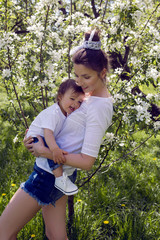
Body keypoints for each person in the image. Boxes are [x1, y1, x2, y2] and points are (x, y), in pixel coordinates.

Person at [0, 28, 113, 240]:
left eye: (86, 76)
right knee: (55, 235)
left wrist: (44, 151)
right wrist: (39, 135)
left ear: (103, 73)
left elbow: (87, 161)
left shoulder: (98, 108)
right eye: (77, 75)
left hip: (48, 176)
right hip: (61, 175)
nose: (79, 83)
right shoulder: (89, 97)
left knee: (3, 232)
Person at [26, 79, 85, 196]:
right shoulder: (54, 113)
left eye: (79, 102)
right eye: (72, 99)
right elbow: (48, 133)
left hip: (42, 138)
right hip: (37, 137)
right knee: (52, 150)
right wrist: (55, 149)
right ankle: (59, 178)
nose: (75, 104)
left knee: (50, 147)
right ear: (60, 97)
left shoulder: (64, 113)